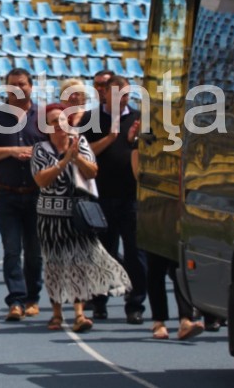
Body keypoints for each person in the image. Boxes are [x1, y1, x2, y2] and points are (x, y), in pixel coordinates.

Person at [31, 104, 131, 333]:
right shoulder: (40, 150)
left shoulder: (81, 143)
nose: (59, 126)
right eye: (53, 122)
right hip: (50, 215)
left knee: (80, 263)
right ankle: (56, 314)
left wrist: (76, 158)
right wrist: (64, 161)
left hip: (78, 213)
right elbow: (42, 181)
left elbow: (92, 172)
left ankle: (79, 313)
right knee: (55, 264)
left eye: (62, 121)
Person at [0, 68, 47, 321]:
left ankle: (33, 298)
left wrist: (35, 153)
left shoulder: (43, 116)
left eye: (22, 84)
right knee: (11, 249)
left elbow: (56, 150)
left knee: (35, 251)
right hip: (6, 193)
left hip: (37, 192)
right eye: (12, 85)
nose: (18, 89)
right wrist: (11, 151)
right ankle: (15, 300)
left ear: (31, 86)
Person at [78, 74, 147, 324]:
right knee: (102, 253)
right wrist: (110, 137)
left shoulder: (140, 118)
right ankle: (99, 302)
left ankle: (135, 304)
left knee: (135, 254)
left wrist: (133, 141)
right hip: (100, 196)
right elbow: (84, 154)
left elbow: (147, 153)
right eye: (117, 95)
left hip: (131, 197)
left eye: (126, 95)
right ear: (106, 93)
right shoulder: (90, 119)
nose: (122, 100)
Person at [128, 123, 204, 341]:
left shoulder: (184, 146)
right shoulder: (145, 142)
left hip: (180, 215)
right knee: (156, 269)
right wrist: (138, 141)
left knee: (180, 267)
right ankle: (159, 321)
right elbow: (137, 174)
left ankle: (185, 320)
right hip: (154, 212)